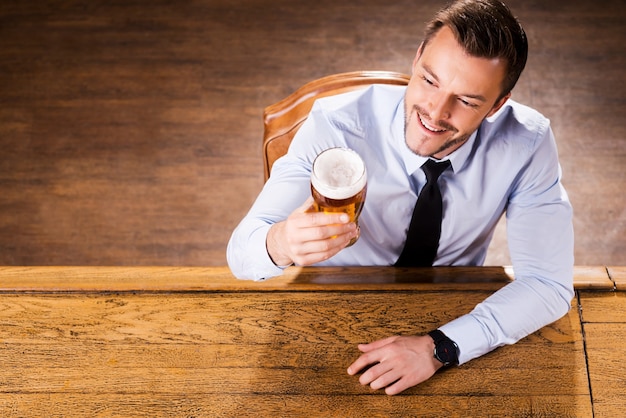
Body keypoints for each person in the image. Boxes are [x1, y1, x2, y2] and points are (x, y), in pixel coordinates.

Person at [227, 0, 574, 395]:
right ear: (416, 59)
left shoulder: (527, 143)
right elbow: (241, 254)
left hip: (449, 309)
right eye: (430, 80)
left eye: (466, 101)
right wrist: (282, 242)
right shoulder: (336, 125)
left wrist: (440, 347)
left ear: (497, 104)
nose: (435, 113)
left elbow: (548, 284)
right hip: (332, 306)